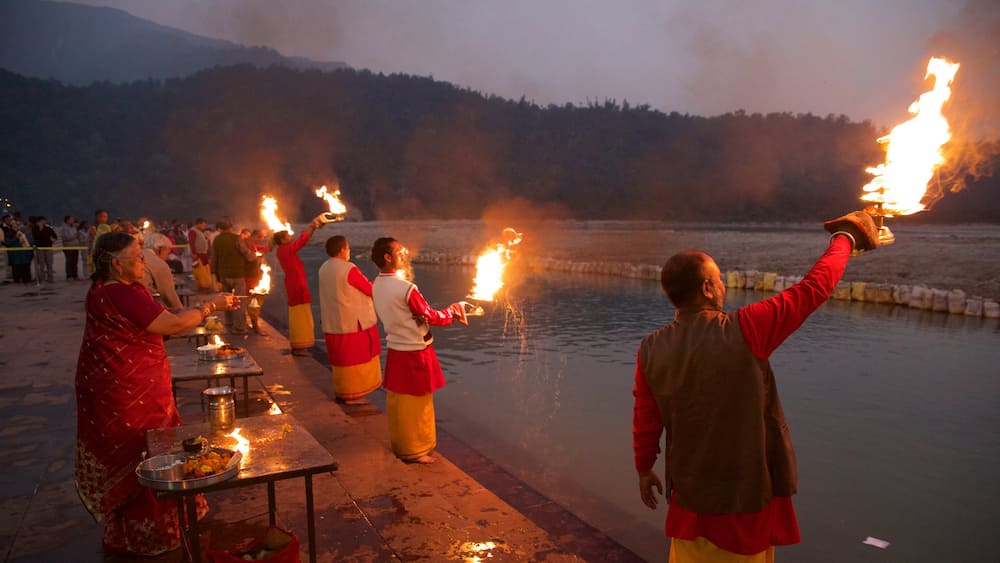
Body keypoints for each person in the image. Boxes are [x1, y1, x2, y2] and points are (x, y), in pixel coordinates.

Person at [632, 212, 879, 562]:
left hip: (690, 499)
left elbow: (645, 420)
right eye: (718, 279)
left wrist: (644, 469)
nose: (723, 286)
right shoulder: (747, 330)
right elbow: (813, 289)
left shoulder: (650, 349)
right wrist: (846, 238)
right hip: (744, 507)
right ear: (706, 288)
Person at [75, 231, 235, 556]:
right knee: (148, 452)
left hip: (120, 387)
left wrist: (186, 314)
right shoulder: (120, 293)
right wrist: (209, 307)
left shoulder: (106, 290)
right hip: (127, 393)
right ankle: (153, 535)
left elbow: (160, 318)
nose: (143, 261)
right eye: (137, 256)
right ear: (117, 264)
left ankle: (137, 530)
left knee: (152, 448)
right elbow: (171, 326)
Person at [371, 237, 467, 463]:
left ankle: (402, 445)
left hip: (396, 347)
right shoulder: (406, 288)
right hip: (414, 351)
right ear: (387, 257)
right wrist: (452, 311)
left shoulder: (376, 285)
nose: (404, 254)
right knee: (417, 403)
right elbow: (430, 316)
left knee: (400, 401)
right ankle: (416, 450)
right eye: (399, 251)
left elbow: (412, 314)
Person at [318, 235, 382, 404]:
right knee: (355, 359)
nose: (348, 251)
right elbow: (368, 289)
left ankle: (342, 391)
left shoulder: (324, 268)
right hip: (352, 321)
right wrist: (381, 281)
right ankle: (354, 395)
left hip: (333, 321)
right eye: (347, 248)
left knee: (341, 359)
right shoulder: (348, 269)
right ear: (342, 250)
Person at [273, 217, 325, 355]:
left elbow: (301, 241)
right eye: (288, 236)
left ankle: (301, 345)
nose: (291, 237)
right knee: (300, 317)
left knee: (302, 316)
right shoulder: (285, 250)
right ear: (282, 241)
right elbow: (302, 241)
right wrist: (312, 226)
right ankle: (300, 346)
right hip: (296, 287)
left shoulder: (283, 250)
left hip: (295, 285)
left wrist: (312, 229)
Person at [211, 218, 254, 334]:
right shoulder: (236, 238)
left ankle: (229, 323)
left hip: (223, 275)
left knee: (226, 300)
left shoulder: (217, 240)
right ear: (231, 228)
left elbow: (213, 258)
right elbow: (245, 252)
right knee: (239, 300)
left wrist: (213, 273)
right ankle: (239, 327)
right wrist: (253, 256)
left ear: (220, 228)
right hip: (237, 274)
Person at [141, 233, 182, 309]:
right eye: (168, 252)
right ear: (161, 249)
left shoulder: (139, 255)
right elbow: (169, 296)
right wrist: (181, 313)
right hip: (143, 304)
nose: (167, 256)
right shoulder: (158, 263)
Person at [2, 214, 32, 283]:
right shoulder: (8, 233)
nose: (15, 226)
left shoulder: (21, 233)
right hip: (15, 255)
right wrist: (16, 238)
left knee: (25, 269)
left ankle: (26, 280)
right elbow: (8, 243)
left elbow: (26, 242)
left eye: (16, 224)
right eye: (14, 224)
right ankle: (17, 281)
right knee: (17, 269)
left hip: (23, 254)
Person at [58, 215, 82, 280]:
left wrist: (78, 236)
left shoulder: (74, 227)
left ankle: (75, 275)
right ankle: (69, 276)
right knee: (69, 261)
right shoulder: (64, 228)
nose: (73, 221)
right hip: (68, 247)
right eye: (72, 219)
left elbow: (77, 236)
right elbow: (65, 238)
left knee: (75, 261)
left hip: (75, 246)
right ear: (67, 220)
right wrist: (75, 236)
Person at [88, 209, 112, 274]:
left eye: (106, 217)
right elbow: (95, 240)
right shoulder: (93, 228)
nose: (104, 218)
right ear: (97, 217)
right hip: (95, 252)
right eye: (102, 216)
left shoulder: (107, 227)